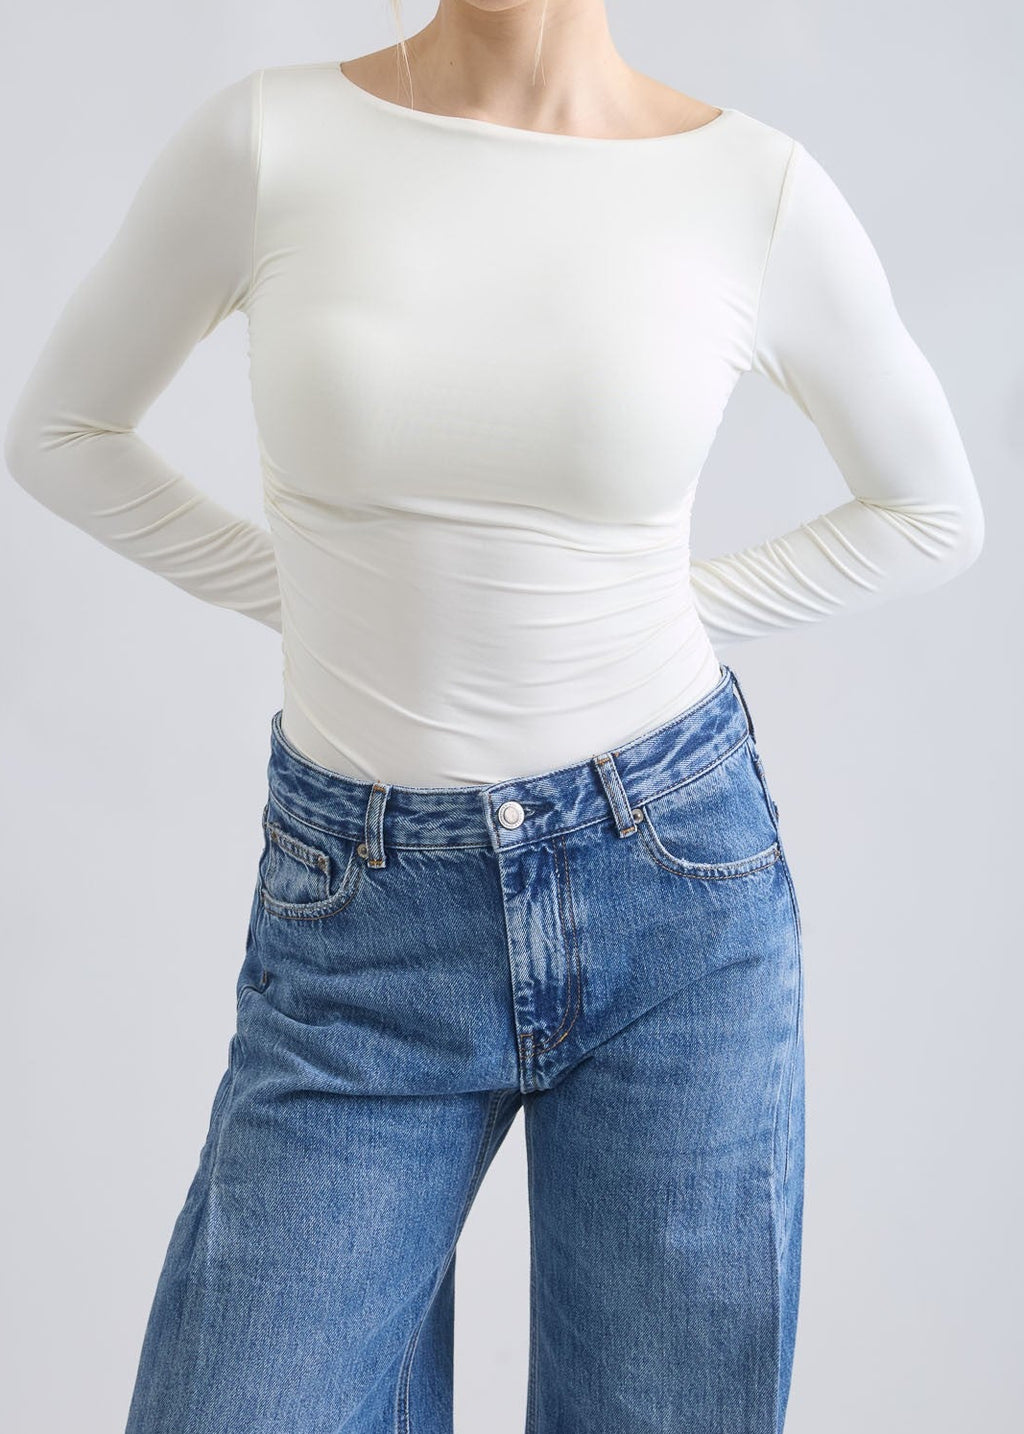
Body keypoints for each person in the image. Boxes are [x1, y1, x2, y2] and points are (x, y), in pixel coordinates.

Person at [3, 4, 985, 1431]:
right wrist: (307, 596)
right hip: (362, 918)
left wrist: (660, 611)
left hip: (672, 895)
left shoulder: (752, 187)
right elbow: (61, 432)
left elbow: (932, 511)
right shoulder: (271, 142)